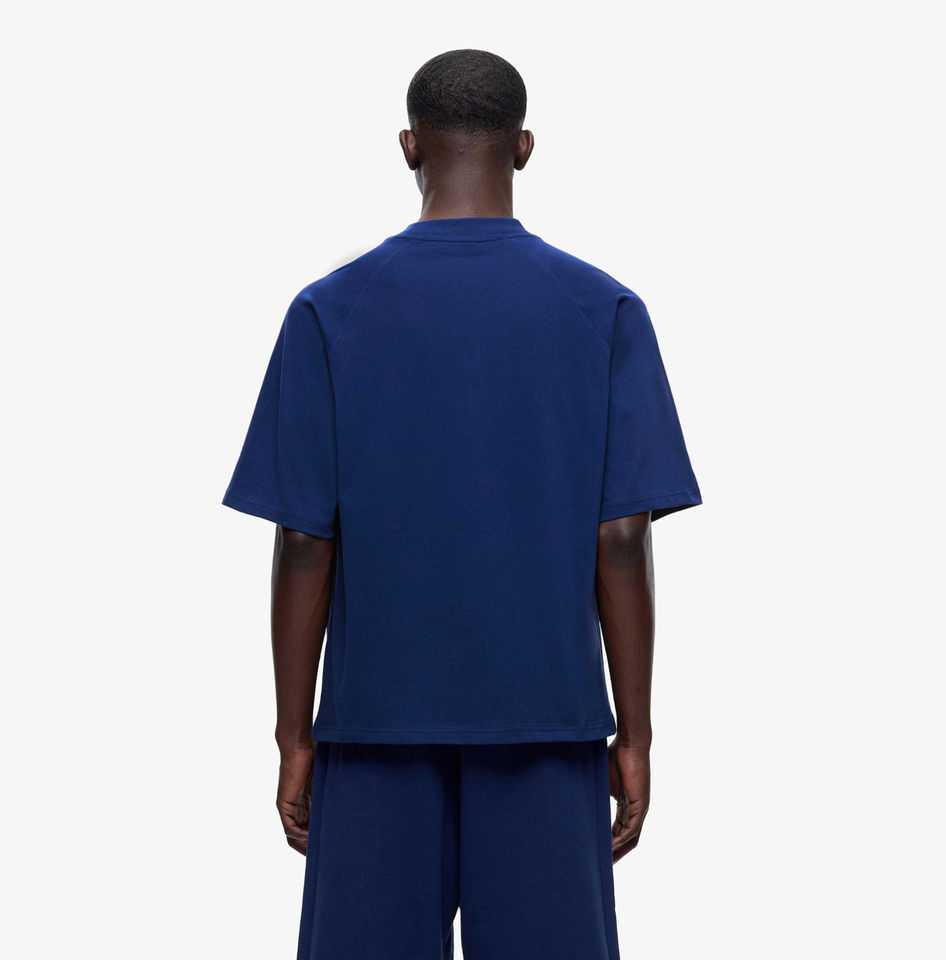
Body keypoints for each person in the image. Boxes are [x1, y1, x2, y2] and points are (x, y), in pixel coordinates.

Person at [222, 48, 701, 960]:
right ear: (524, 147)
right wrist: (635, 733)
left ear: (409, 147)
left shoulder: (329, 311)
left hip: (373, 727)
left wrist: (294, 735)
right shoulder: (603, 310)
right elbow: (622, 538)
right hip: (548, 725)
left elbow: (304, 542)